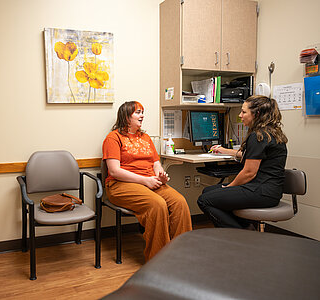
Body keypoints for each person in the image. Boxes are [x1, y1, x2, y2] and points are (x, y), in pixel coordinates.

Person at [102, 101, 192, 261]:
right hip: (120, 185)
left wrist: (161, 176)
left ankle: (181, 254)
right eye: (137, 112)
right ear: (126, 116)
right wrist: (145, 181)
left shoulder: (146, 137)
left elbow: (156, 164)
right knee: (157, 205)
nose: (142, 115)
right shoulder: (113, 138)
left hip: (149, 181)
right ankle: (158, 260)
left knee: (180, 202)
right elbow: (115, 171)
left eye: (142, 112)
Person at [197, 95, 288, 229]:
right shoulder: (270, 133)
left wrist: (230, 186)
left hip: (261, 191)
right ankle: (244, 227)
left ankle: (239, 235)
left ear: (256, 114)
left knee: (204, 200)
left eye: (244, 112)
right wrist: (224, 150)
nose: (240, 115)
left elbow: (249, 173)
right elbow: (250, 156)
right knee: (208, 191)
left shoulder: (258, 136)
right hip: (270, 190)